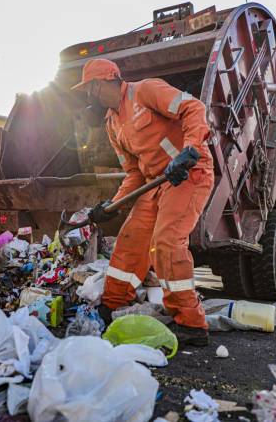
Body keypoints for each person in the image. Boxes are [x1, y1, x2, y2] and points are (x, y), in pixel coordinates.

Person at [71, 59, 214, 346]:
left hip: (186, 174)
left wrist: (190, 150)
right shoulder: (112, 124)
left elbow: (193, 108)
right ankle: (112, 304)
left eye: (90, 88)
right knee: (130, 240)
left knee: (167, 242)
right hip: (154, 183)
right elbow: (134, 172)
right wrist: (111, 205)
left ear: (104, 81)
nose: (89, 95)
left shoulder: (145, 91)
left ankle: (191, 322)